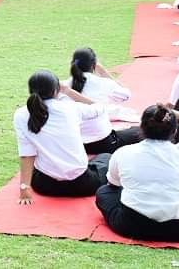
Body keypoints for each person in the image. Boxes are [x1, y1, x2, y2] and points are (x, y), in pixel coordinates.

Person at [95, 104, 179, 242]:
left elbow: (113, 184)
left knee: (104, 192)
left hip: (132, 226)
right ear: (175, 131)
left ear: (141, 127)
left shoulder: (124, 152)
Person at [15, 70, 112, 203]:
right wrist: (68, 91)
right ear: (56, 90)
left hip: (44, 186)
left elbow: (27, 154)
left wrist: (24, 188)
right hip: (83, 185)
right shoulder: (70, 108)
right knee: (106, 157)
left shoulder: (20, 115)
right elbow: (99, 107)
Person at [67, 48, 140, 154]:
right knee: (139, 131)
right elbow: (126, 95)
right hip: (102, 143)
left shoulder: (64, 86)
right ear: (94, 65)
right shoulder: (103, 83)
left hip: (73, 145)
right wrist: (103, 72)